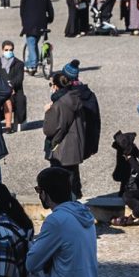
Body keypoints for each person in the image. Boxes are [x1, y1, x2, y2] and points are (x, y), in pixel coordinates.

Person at [42, 61, 101, 197]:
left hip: (63, 147)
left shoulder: (64, 100)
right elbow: (94, 122)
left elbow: (54, 128)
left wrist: (49, 112)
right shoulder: (82, 96)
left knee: (62, 181)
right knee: (73, 176)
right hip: (79, 143)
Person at [19, 0, 55, 73]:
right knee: (34, 43)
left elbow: (22, 10)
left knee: (31, 44)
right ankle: (29, 63)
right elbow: (50, 9)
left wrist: (24, 22)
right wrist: (49, 19)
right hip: (42, 23)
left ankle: (33, 64)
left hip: (29, 23)